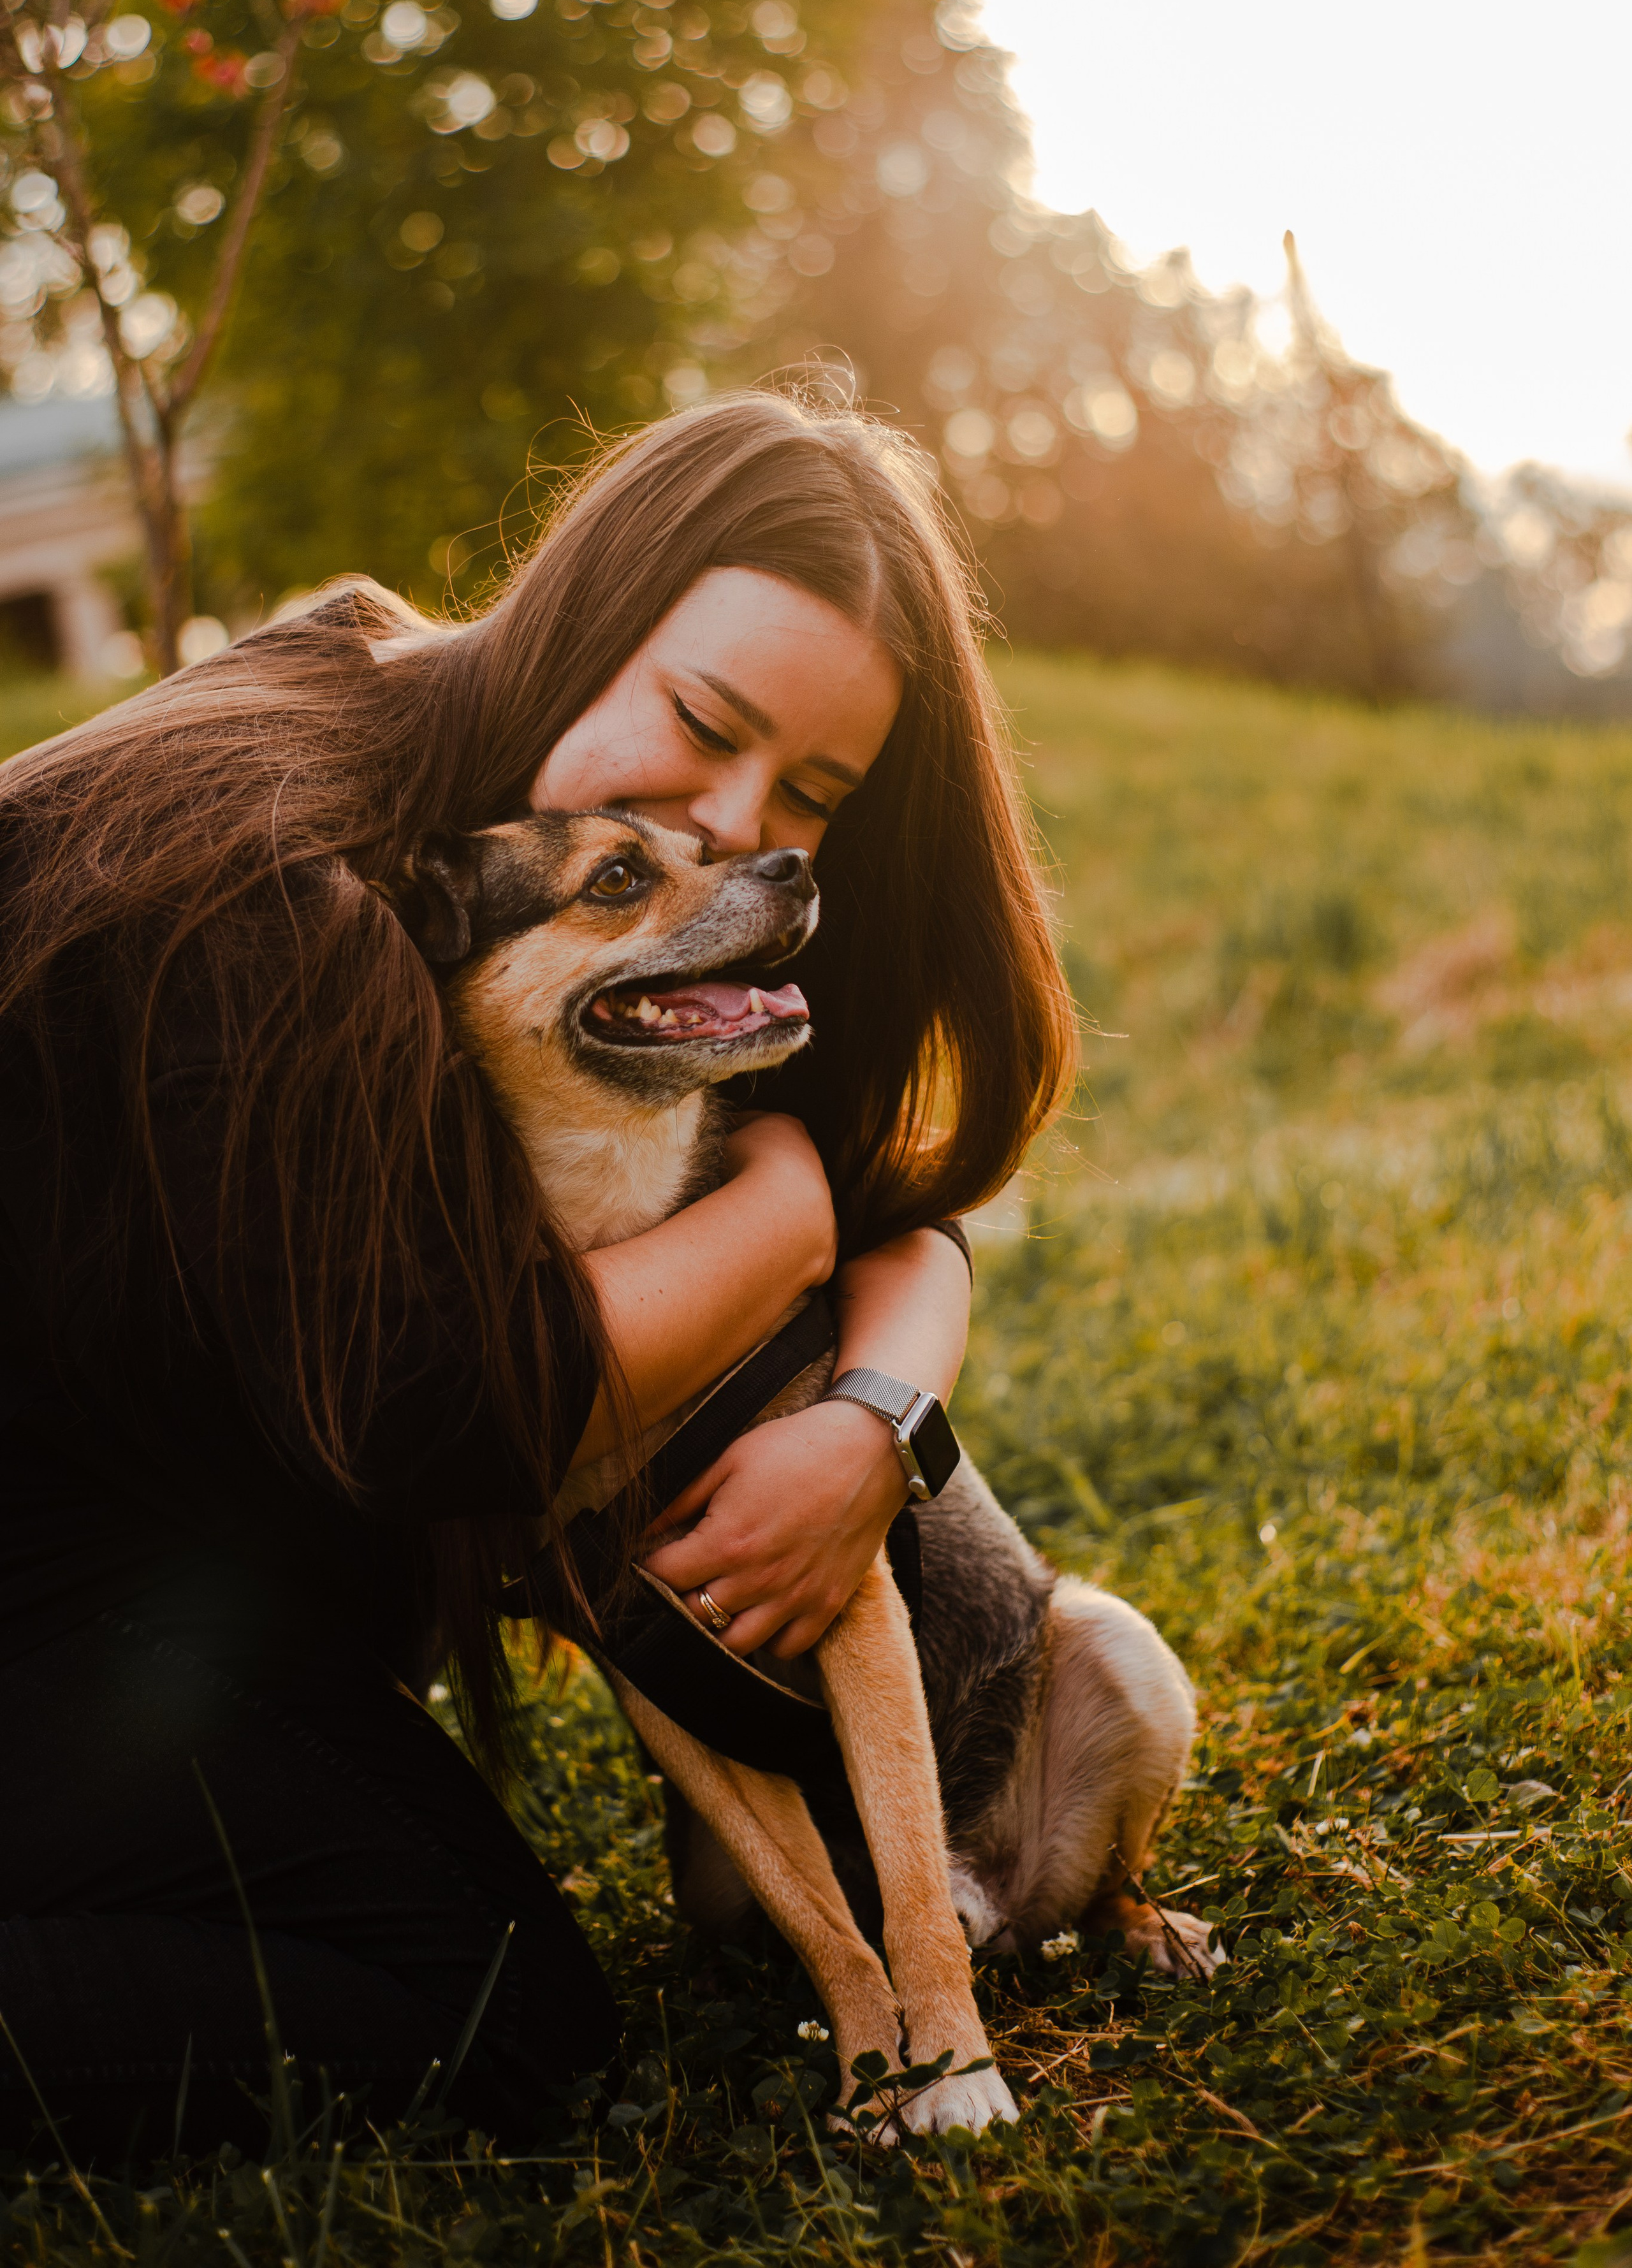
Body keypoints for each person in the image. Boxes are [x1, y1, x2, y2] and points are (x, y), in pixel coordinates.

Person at [0, 392, 1074, 2158]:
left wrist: (876, 1423)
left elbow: (902, 1189)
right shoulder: (285, 882)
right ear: (586, 618)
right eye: (705, 723)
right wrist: (784, 1219)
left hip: (153, 1552)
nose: (739, 820)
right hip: (38, 1579)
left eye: (812, 794)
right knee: (489, 2022)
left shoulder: (538, 868)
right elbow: (445, 1410)